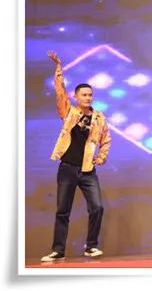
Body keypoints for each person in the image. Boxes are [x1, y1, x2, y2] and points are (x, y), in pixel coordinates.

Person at [41, 51, 111, 262]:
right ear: (76, 97)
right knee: (63, 210)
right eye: (84, 95)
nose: (88, 98)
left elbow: (106, 140)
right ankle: (58, 249)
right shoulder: (69, 113)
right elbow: (59, 91)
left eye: (90, 95)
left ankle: (91, 246)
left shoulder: (99, 118)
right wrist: (58, 68)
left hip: (88, 170)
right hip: (67, 168)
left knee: (97, 207)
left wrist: (102, 157)